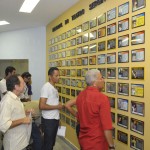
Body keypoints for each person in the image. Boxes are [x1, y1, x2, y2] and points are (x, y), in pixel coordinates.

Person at [76, 69, 115, 150]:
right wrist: (111, 146)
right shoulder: (102, 98)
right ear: (94, 83)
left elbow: (79, 119)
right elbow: (107, 127)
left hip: (83, 141)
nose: (103, 80)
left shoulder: (80, 95)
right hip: (97, 143)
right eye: (101, 78)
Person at [0, 74, 32, 150]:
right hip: (14, 145)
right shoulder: (7, 101)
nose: (24, 84)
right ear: (16, 86)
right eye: (22, 82)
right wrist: (22, 120)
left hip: (21, 142)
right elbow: (3, 125)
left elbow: (13, 114)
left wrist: (25, 113)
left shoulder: (16, 98)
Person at [39, 67, 64, 150]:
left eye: (59, 75)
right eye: (56, 75)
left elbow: (53, 104)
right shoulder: (46, 87)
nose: (58, 77)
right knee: (48, 144)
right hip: (48, 121)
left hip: (54, 119)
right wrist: (57, 106)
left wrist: (57, 118)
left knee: (51, 143)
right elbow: (41, 106)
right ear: (50, 76)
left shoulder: (54, 88)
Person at [0, 66, 16, 150]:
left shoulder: (10, 82)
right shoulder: (2, 82)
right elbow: (8, 93)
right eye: (13, 73)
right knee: (5, 129)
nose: (14, 75)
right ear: (9, 73)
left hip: (11, 106)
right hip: (5, 107)